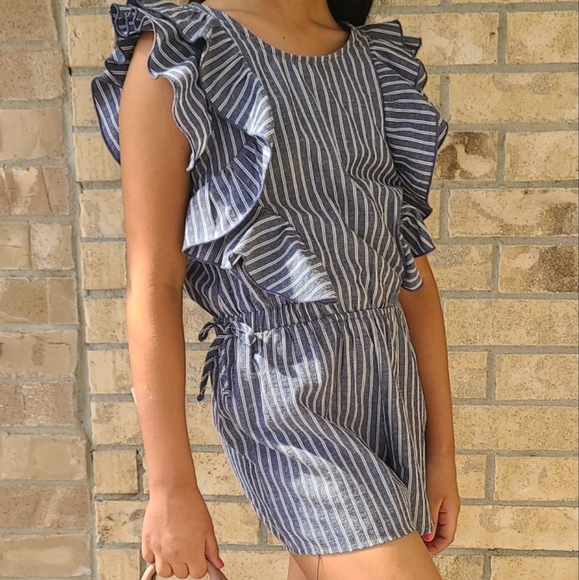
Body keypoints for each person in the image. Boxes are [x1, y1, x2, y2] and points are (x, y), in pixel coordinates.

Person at [91, 0, 461, 578]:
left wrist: (442, 452)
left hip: (390, 380)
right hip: (284, 394)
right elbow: (153, 284)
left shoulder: (371, 59)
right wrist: (170, 488)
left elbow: (410, 273)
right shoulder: (181, 54)